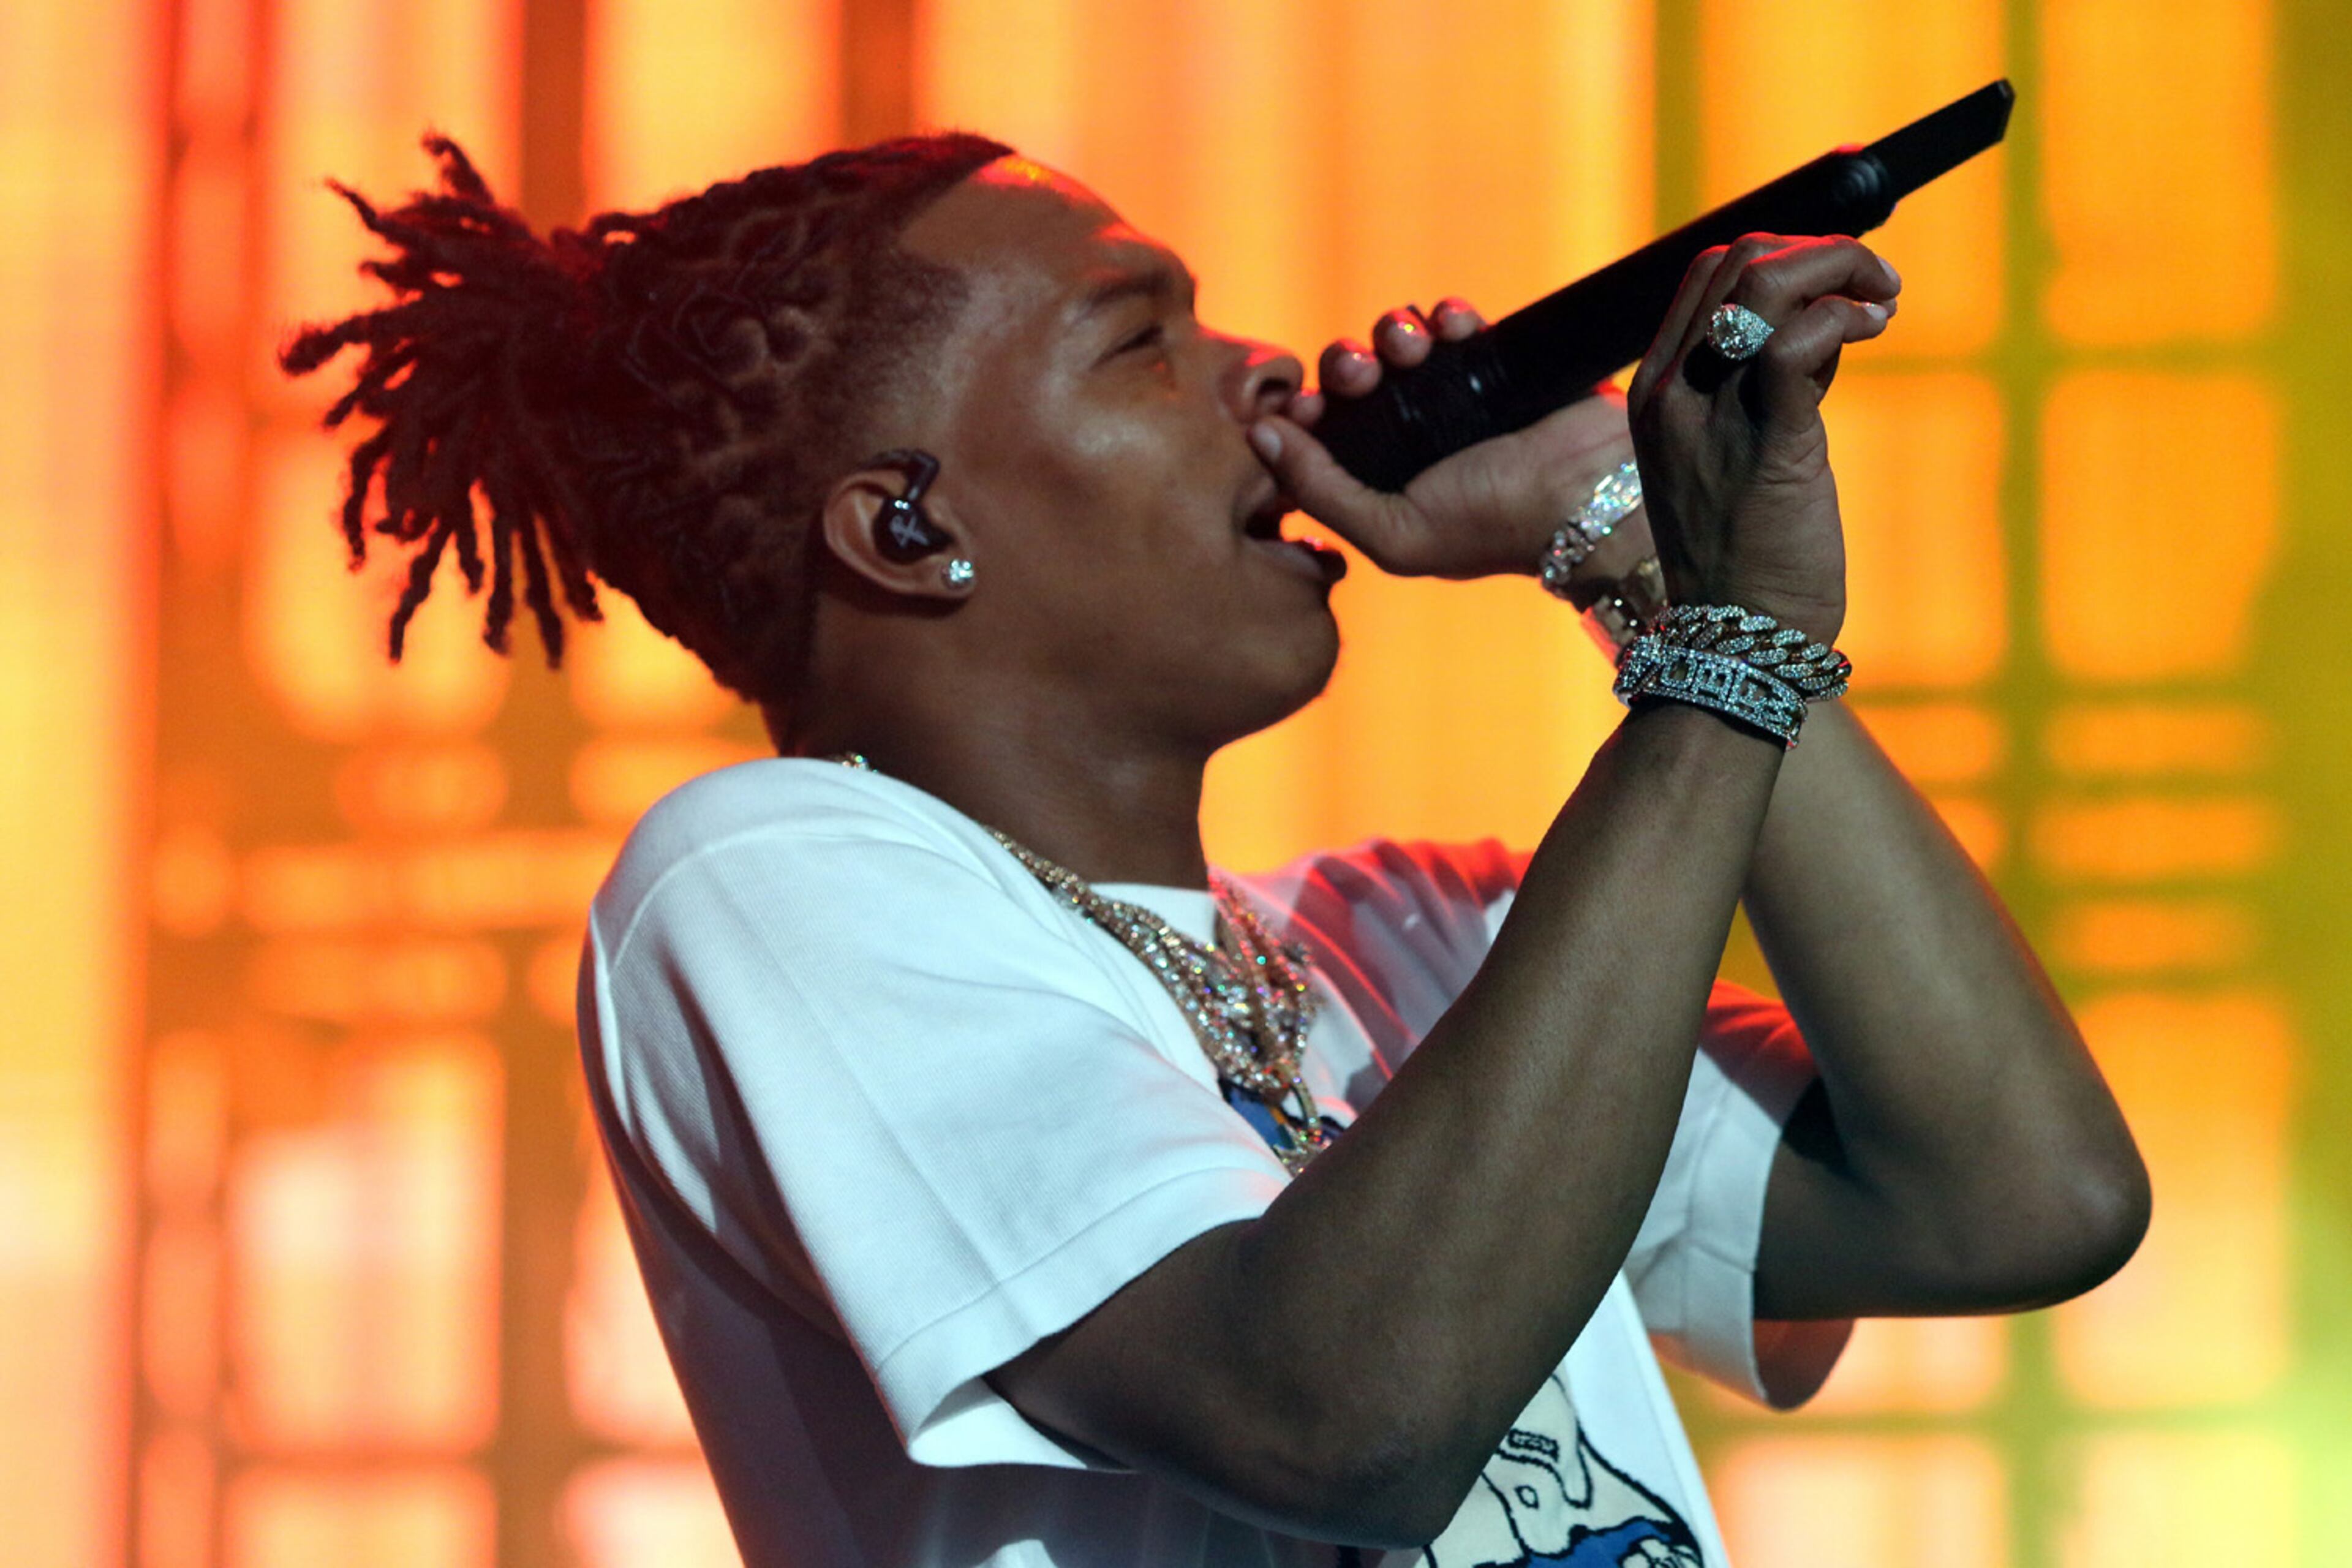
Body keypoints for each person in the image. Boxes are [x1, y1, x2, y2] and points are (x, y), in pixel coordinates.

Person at [284, 131, 2150, 1568]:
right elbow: (1340, 1406)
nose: (1273, 377)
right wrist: (1718, 658)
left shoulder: (1421, 943)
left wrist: (1642, 558)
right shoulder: (761, 885)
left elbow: (2018, 1200)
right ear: (907, 528)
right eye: (1142, 342)